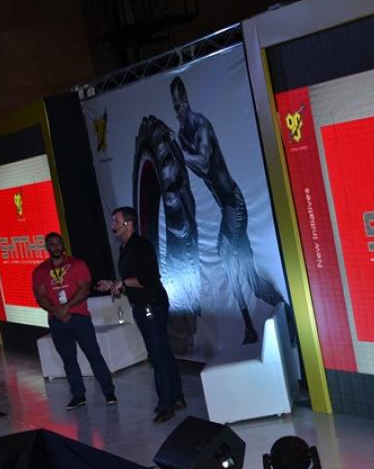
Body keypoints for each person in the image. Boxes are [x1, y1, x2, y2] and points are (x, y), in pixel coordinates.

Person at [170, 75, 282, 344]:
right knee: (251, 278)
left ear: (186, 100)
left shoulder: (201, 125)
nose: (178, 112)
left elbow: (204, 162)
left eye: (179, 105)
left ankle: (251, 326)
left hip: (234, 202)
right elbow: (196, 171)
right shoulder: (183, 135)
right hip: (226, 208)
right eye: (174, 108)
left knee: (225, 253)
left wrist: (181, 155)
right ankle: (276, 312)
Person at [96, 207, 185, 423]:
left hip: (151, 305)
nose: (113, 226)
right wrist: (115, 284)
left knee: (157, 355)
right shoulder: (126, 247)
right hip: (142, 305)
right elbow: (131, 280)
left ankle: (167, 405)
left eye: (116, 221)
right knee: (162, 352)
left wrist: (122, 283)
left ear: (128, 223)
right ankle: (177, 397)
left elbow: (148, 279)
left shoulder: (141, 246)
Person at [32, 232, 116, 410]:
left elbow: (84, 289)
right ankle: (78, 396)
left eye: (58, 243)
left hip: (79, 317)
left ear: (63, 245)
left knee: (94, 354)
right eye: (51, 244)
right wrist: (56, 310)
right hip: (56, 319)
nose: (55, 247)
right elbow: (40, 296)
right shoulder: (40, 270)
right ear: (47, 247)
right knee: (69, 360)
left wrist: (67, 307)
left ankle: (109, 392)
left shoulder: (77, 264)